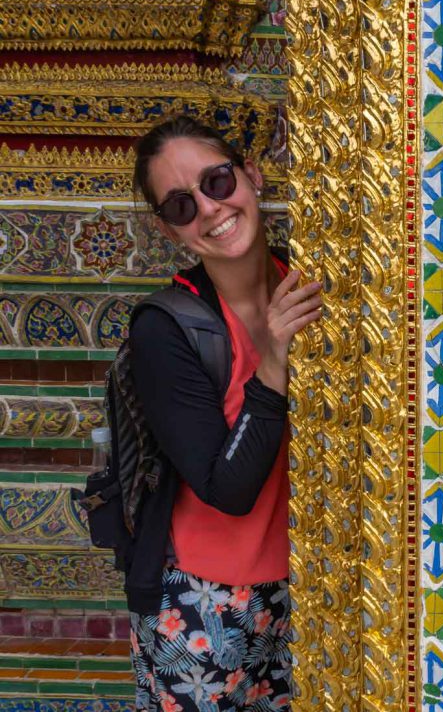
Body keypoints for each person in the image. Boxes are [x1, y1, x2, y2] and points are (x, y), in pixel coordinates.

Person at [126, 115, 322, 710]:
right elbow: (226, 488)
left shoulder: (308, 285)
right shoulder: (164, 329)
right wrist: (272, 360)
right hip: (203, 605)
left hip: (315, 586)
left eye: (216, 182)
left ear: (252, 174)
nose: (210, 210)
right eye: (182, 206)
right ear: (171, 230)